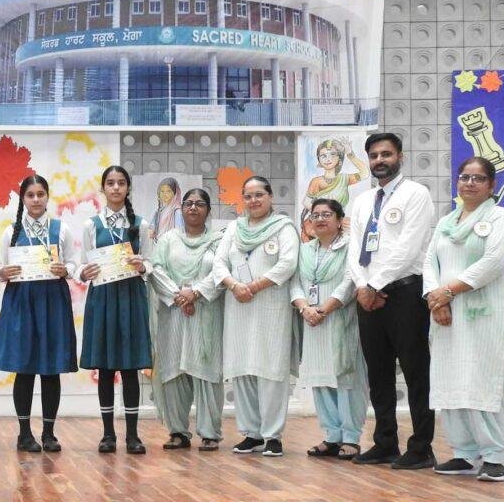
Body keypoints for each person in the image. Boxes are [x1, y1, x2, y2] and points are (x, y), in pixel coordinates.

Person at [424, 157, 504, 482]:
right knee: (451, 380)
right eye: (464, 177)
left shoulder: (500, 219)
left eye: (478, 178)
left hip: (488, 317)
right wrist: (434, 299)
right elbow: (429, 262)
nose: (469, 183)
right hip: (446, 316)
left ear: (491, 185)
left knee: (484, 382)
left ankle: (494, 457)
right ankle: (464, 453)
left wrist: (447, 292)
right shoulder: (446, 221)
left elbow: (493, 263)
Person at [347, 132, 436, 469]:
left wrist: (374, 284)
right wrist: (362, 285)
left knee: (415, 371)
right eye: (373, 156)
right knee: (379, 372)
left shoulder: (416, 194)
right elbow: (354, 249)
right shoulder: (363, 201)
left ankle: (421, 447)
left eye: (386, 154)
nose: (379, 161)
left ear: (400, 156)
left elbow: (409, 247)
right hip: (368, 297)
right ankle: (385, 442)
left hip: (405, 293)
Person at [213, 175, 299, 458]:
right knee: (243, 368)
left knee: (271, 370)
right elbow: (219, 263)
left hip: (270, 306)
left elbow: (288, 263)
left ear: (270, 196)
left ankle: (273, 436)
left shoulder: (283, 227)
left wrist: (254, 286)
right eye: (248, 196)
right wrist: (234, 285)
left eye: (259, 194)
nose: (253, 201)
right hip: (238, 305)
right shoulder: (234, 228)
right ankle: (252, 433)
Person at [0, 175, 78, 453]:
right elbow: (0, 270)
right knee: (25, 368)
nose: (35, 199)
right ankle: (24, 433)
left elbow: (73, 264)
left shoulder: (61, 228)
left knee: (51, 369)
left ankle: (49, 433)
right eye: (30, 195)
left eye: (40, 194)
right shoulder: (11, 231)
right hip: (21, 301)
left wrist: (66, 269)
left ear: (47, 197)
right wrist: (4, 272)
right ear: (23, 199)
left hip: (53, 301)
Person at [79, 165, 154, 454]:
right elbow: (83, 266)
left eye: (121, 183)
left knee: (131, 367)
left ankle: (132, 435)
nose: (116, 188)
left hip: (131, 297)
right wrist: (84, 273)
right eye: (110, 183)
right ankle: (108, 434)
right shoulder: (91, 225)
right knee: (106, 367)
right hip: (103, 298)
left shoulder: (141, 224)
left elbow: (151, 263)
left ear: (128, 188)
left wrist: (142, 265)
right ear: (103, 188)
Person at [289, 198, 367, 460]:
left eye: (326, 214)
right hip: (311, 321)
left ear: (339, 219)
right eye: (315, 215)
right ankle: (332, 436)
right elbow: (295, 283)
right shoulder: (305, 250)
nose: (320, 219)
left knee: (345, 378)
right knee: (320, 378)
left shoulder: (350, 247)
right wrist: (305, 308)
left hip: (340, 318)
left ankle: (351, 437)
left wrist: (324, 309)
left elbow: (350, 281)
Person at [148, 188, 224, 452]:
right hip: (174, 314)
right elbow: (156, 270)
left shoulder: (219, 241)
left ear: (208, 210)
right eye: (189, 203)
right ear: (181, 209)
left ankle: (210, 432)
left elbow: (221, 272)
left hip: (206, 313)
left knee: (207, 371)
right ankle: (178, 431)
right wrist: (179, 296)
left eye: (200, 204)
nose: (193, 208)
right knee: (173, 371)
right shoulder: (168, 239)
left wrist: (196, 292)